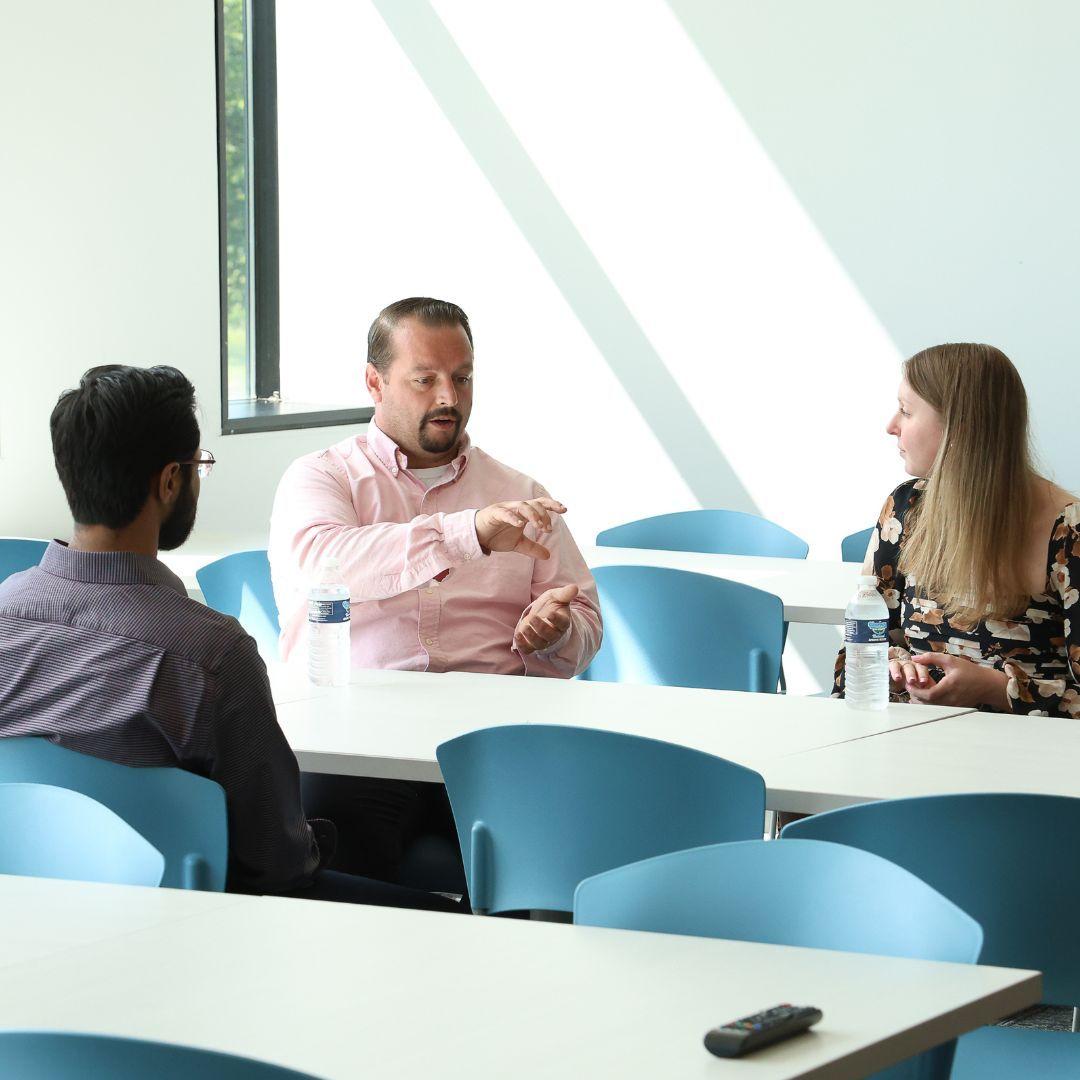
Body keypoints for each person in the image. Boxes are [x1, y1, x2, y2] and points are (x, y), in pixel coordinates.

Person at [0, 364, 460, 912]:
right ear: (170, 481)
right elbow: (275, 859)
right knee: (452, 919)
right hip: (199, 925)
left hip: (35, 913)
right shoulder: (212, 655)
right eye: (198, 468)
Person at [268, 297, 602, 885]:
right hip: (359, 733)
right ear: (375, 382)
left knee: (553, 864)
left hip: (492, 738)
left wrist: (557, 633)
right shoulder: (323, 476)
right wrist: (467, 533)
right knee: (336, 881)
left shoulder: (519, 489)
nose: (448, 398)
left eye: (462, 378)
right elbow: (322, 563)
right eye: (424, 380)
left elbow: (584, 624)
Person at [834, 343, 1080, 716]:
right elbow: (862, 648)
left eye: (906, 411)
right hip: (908, 745)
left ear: (959, 428)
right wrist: (893, 668)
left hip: (1028, 761)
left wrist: (1000, 691)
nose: (891, 427)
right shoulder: (905, 508)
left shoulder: (1068, 530)